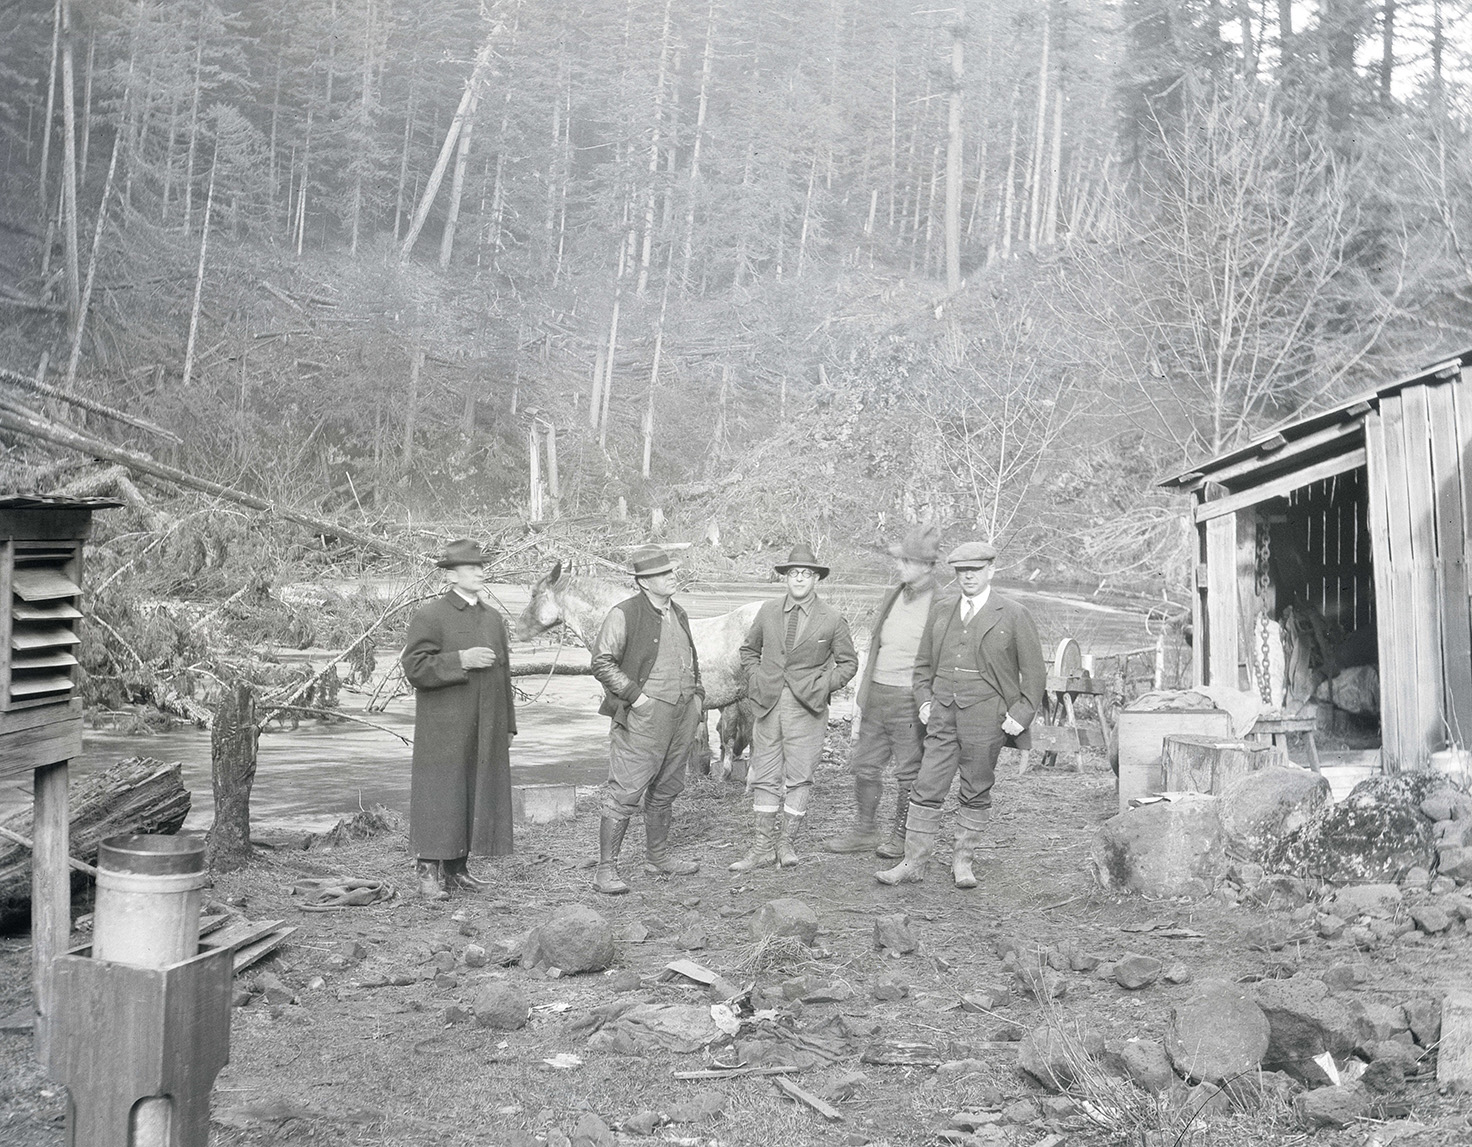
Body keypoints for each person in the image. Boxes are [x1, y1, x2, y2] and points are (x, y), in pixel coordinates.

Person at [876, 540, 1044, 889]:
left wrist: (1021, 714)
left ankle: (963, 863)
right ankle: (913, 863)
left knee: (976, 788)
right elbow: (923, 665)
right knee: (925, 786)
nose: (968, 577)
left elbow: (1035, 674)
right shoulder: (942, 609)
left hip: (988, 717)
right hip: (941, 717)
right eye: (962, 572)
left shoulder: (1012, 613)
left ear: (991, 571)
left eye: (975, 571)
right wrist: (924, 701)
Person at [400, 539, 517, 900]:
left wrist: (508, 724)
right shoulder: (431, 615)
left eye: (482, 566)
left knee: (474, 791)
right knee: (441, 793)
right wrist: (461, 659)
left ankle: (457, 869)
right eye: (471, 567)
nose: (480, 572)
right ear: (450, 575)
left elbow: (505, 674)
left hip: (485, 723)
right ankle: (427, 871)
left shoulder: (493, 618)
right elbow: (414, 667)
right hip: (444, 726)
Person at [732, 543, 858, 871]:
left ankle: (786, 843)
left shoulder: (832, 618)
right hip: (768, 703)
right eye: (793, 573)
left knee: (800, 776)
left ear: (816, 578)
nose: (799, 579)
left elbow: (848, 664)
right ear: (785, 578)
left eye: (806, 573)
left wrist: (822, 684)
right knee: (765, 774)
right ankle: (761, 848)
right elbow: (748, 650)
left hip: (807, 707)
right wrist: (757, 678)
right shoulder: (768, 611)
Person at [589, 544, 704, 895]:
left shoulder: (678, 612)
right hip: (643, 717)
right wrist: (636, 698)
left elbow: (690, 660)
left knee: (668, 786)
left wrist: (697, 699)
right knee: (625, 791)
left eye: (672, 571)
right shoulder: (623, 614)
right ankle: (606, 871)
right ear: (643, 582)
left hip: (682, 714)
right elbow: (602, 662)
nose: (673, 577)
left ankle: (657, 857)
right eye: (663, 574)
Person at [825, 524, 940, 856]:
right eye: (900, 559)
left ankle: (902, 837)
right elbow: (876, 645)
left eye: (908, 560)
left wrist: (929, 702)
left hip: (911, 700)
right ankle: (865, 830)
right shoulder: (893, 594)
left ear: (929, 566)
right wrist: (864, 695)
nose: (899, 565)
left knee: (909, 771)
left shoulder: (943, 602)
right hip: (878, 694)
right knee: (864, 765)